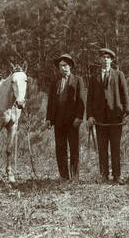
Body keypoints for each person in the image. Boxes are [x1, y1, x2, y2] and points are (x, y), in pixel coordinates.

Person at [87, 48, 129, 185]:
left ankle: (117, 175)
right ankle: (104, 175)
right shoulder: (94, 78)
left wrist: (126, 111)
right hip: (100, 119)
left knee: (115, 148)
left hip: (115, 118)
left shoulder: (119, 75)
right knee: (102, 148)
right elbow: (90, 99)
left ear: (111, 60)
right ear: (100, 60)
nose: (105, 60)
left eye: (108, 57)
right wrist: (90, 116)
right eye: (103, 57)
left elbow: (125, 94)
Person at [46, 53, 85, 181]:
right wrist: (48, 119)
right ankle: (64, 176)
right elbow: (50, 103)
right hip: (58, 122)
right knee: (60, 149)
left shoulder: (78, 80)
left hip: (72, 122)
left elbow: (81, 101)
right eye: (61, 66)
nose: (63, 68)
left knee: (74, 149)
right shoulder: (55, 83)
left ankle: (74, 177)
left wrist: (79, 117)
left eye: (66, 65)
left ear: (71, 66)